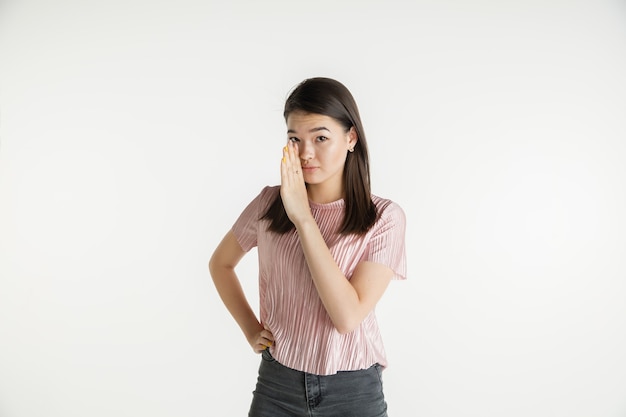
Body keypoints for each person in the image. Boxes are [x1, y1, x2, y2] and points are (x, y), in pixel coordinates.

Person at [209, 77, 407, 417]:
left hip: (353, 391)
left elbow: (346, 317)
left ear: (351, 138)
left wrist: (303, 217)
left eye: (320, 137)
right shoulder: (269, 203)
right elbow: (221, 264)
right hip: (277, 384)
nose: (305, 153)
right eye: (294, 139)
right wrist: (250, 329)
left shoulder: (384, 218)